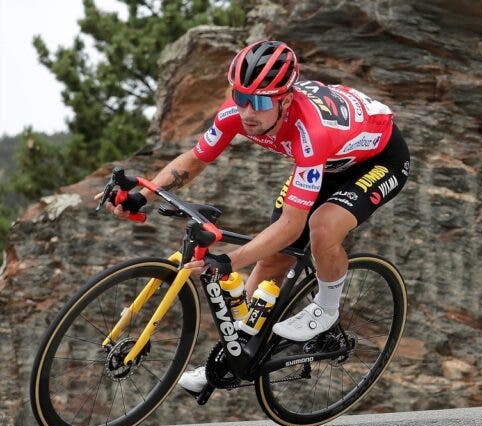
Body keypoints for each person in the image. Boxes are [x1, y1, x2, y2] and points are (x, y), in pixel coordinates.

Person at [100, 40, 410, 393]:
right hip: (327, 162)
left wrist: (229, 261)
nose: (248, 110)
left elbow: (291, 224)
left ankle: (326, 310)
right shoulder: (238, 111)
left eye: (260, 102)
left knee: (321, 227)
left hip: (379, 159)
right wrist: (143, 193)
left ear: (287, 100)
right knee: (271, 260)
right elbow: (196, 158)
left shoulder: (310, 129)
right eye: (241, 96)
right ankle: (232, 355)